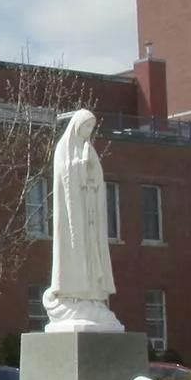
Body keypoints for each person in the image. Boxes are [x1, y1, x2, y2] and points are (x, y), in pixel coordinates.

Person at [41, 109, 120, 331]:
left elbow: (98, 179)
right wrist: (79, 166)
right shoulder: (63, 149)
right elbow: (64, 176)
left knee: (92, 256)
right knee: (75, 254)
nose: (89, 132)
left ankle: (93, 298)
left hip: (89, 215)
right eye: (86, 127)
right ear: (76, 126)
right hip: (72, 217)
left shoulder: (90, 150)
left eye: (91, 128)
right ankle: (74, 296)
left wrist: (91, 170)